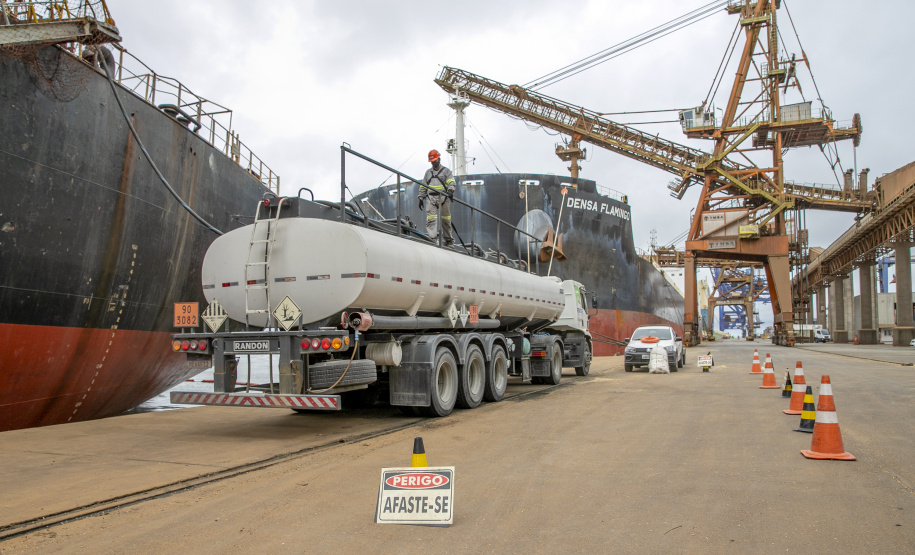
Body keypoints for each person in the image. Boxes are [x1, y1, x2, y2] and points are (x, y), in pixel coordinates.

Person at [418, 149, 456, 246]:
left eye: (435, 160)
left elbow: (451, 181)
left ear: (439, 159)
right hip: (431, 198)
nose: (434, 162)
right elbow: (423, 185)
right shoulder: (428, 173)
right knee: (431, 219)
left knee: (446, 220)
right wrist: (421, 198)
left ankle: (449, 240)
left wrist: (451, 190)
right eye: (432, 161)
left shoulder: (446, 171)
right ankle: (432, 238)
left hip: (444, 198)